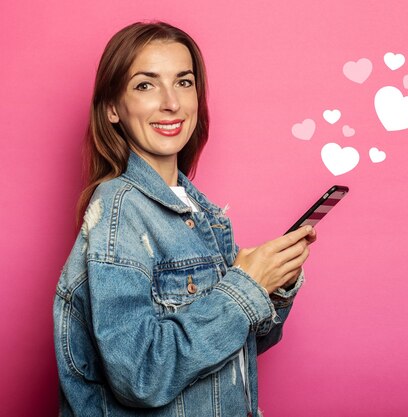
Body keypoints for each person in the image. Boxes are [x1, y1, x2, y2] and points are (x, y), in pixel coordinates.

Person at [53, 21, 315, 417]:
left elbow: (229, 350)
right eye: (145, 85)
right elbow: (140, 375)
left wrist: (271, 284)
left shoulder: (199, 212)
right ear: (111, 109)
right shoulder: (119, 210)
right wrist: (243, 289)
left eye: (184, 82)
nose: (171, 103)